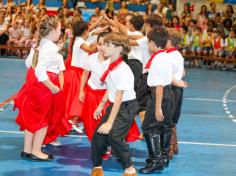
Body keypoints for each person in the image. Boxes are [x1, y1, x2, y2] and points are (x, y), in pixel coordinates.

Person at [15, 16, 70, 161]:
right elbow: (40, 71)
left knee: (33, 115)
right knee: (43, 119)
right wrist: (52, 87)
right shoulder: (51, 48)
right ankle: (36, 151)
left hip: (33, 82)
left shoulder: (40, 44)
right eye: (59, 29)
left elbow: (29, 64)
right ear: (52, 31)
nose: (60, 32)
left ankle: (27, 149)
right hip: (44, 84)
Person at [91, 32, 139, 176]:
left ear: (119, 48)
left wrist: (110, 123)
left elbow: (119, 97)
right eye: (103, 44)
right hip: (115, 105)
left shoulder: (122, 70)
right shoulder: (112, 65)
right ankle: (97, 167)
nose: (103, 47)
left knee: (114, 137)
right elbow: (110, 88)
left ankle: (129, 168)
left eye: (107, 45)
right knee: (98, 136)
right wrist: (101, 104)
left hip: (127, 107)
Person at [140, 26, 172, 174]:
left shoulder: (158, 60)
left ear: (153, 43)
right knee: (157, 127)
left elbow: (159, 85)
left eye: (148, 42)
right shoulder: (164, 56)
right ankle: (159, 158)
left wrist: (157, 107)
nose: (147, 45)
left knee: (148, 127)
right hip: (166, 94)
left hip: (158, 95)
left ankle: (156, 161)